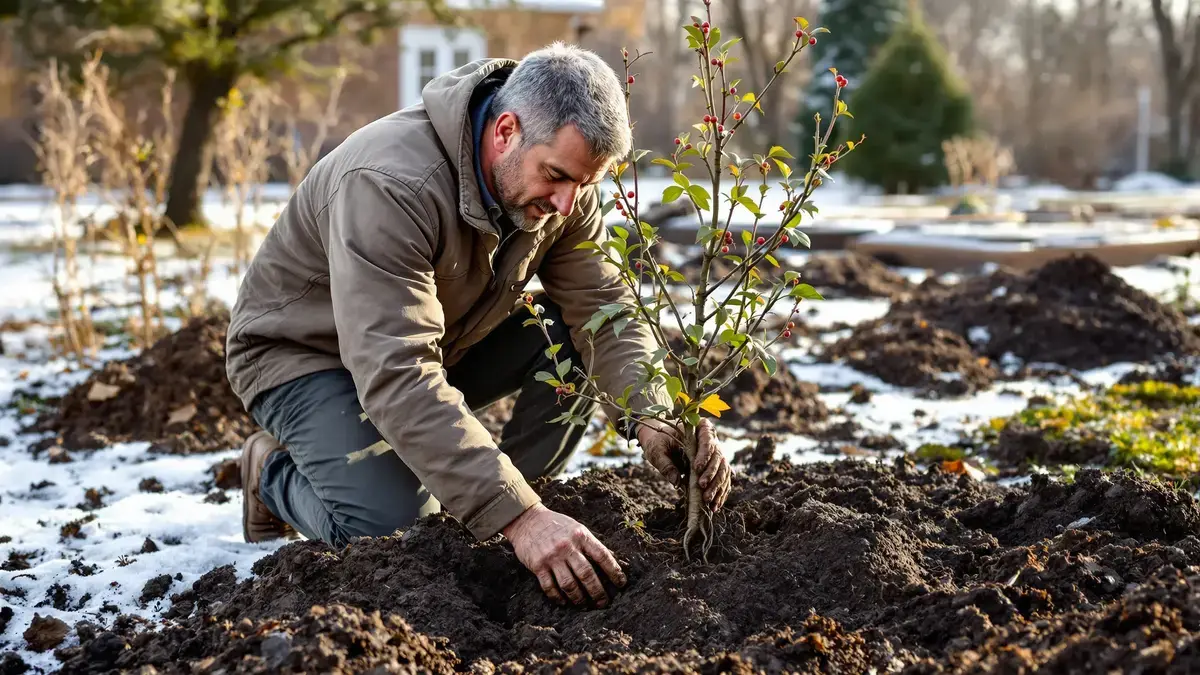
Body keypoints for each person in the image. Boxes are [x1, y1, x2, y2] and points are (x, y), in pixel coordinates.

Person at [225, 42, 732, 608]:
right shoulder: (391, 184)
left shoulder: (562, 191)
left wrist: (652, 415)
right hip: (305, 355)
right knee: (395, 533)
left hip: (438, 341)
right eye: (557, 176)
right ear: (506, 130)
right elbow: (396, 369)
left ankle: (513, 506)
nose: (567, 204)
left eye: (584, 184)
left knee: (562, 338)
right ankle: (272, 469)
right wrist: (518, 518)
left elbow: (604, 307)